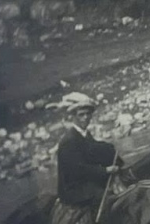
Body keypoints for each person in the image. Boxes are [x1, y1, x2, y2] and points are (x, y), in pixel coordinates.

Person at [51, 92, 120, 224]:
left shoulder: (84, 135)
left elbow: (93, 150)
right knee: (104, 197)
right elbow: (78, 169)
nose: (85, 118)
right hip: (72, 188)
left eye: (88, 114)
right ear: (73, 117)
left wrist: (111, 150)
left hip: (84, 181)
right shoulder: (68, 140)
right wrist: (105, 170)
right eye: (81, 114)